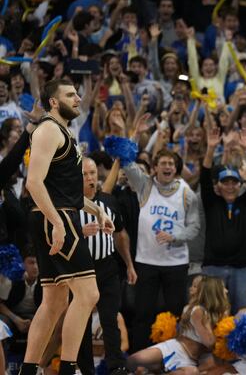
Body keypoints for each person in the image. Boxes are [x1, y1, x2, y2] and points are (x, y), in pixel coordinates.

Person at [21, 79, 115, 375]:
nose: (77, 98)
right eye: (70, 94)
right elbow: (33, 183)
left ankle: (27, 369)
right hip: (56, 217)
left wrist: (96, 209)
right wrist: (58, 222)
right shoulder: (48, 129)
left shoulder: (61, 131)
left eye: (77, 93)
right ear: (53, 101)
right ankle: (69, 368)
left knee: (54, 300)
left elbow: (64, 190)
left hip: (57, 214)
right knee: (88, 294)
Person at [123, 149, 200, 352]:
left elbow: (194, 228)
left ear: (176, 169)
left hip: (176, 264)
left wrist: (175, 237)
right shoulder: (145, 185)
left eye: (171, 164)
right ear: (155, 167)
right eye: (163, 163)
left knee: (175, 314)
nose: (167, 167)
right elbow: (127, 164)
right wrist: (135, 133)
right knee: (143, 314)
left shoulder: (186, 191)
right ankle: (140, 360)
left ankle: (174, 356)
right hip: (146, 261)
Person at [76, 157, 136, 375]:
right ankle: (84, 368)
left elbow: (120, 235)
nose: (90, 178)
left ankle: (116, 366)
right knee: (80, 321)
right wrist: (81, 233)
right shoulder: (69, 204)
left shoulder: (109, 202)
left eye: (92, 173)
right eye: (84, 174)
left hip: (107, 267)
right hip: (80, 270)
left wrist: (129, 264)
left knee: (110, 318)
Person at [200, 128, 246, 312]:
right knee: (211, 312)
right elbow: (204, 176)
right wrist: (211, 149)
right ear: (218, 186)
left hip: (242, 268)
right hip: (213, 267)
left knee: (243, 312)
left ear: (239, 185)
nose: (229, 186)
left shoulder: (245, 203)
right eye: (225, 182)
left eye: (233, 183)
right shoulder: (211, 202)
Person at [127, 276, 230, 374]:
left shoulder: (220, 313)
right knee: (135, 360)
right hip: (177, 348)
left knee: (193, 372)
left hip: (192, 359)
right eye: (223, 288)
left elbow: (216, 347)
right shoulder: (198, 310)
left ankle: (155, 371)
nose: (226, 291)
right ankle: (153, 369)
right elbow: (210, 343)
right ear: (215, 292)